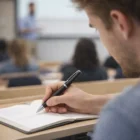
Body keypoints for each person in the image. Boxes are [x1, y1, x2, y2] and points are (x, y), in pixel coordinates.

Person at [42, 0, 140, 140]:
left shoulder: (122, 120)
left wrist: (117, 109)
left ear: (120, 23)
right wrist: (90, 101)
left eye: (96, 28)